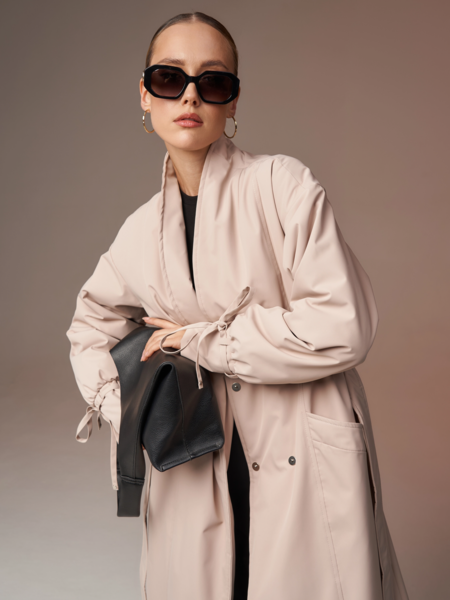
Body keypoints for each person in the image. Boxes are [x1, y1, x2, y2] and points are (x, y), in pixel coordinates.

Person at [66, 11, 409, 600]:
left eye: (213, 81)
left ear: (232, 100)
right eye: (170, 78)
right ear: (145, 95)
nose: (190, 95)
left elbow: (344, 326)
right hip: (194, 460)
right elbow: (89, 327)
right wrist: (134, 412)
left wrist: (203, 341)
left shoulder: (283, 187)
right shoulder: (138, 232)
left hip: (302, 452)